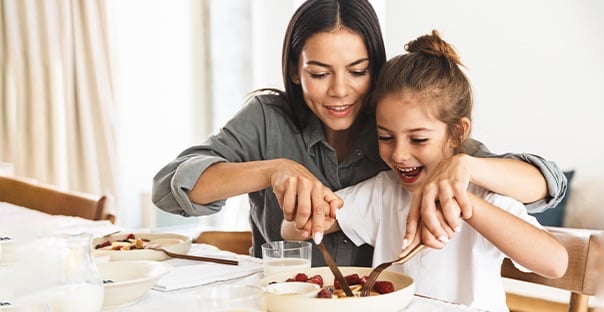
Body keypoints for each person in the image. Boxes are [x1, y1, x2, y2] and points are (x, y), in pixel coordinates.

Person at [152, 0, 567, 267]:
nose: (339, 91)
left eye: (357, 71)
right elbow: (171, 186)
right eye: (318, 73)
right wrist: (273, 171)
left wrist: (464, 166)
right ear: (295, 72)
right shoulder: (266, 117)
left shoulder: (397, 125)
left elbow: (544, 183)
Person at [282, 29, 568, 311]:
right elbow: (294, 230)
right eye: (385, 137)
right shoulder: (384, 192)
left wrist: (465, 206)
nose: (399, 154)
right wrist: (308, 207)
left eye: (418, 139)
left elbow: (555, 263)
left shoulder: (486, 195)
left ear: (457, 133)